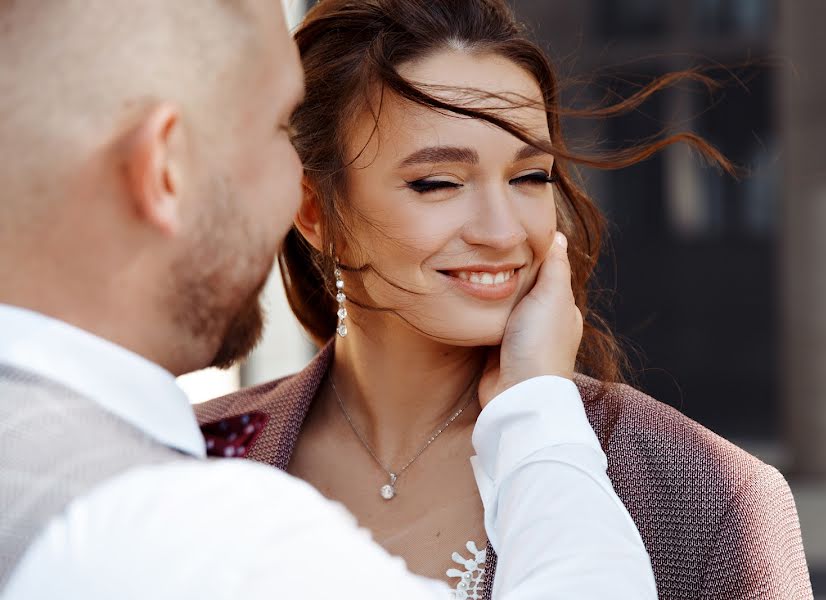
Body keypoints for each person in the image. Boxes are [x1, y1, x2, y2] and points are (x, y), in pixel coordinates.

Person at [0, 0, 657, 598]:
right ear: (165, 168)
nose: (502, 231)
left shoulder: (695, 479)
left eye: (533, 176)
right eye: (276, 130)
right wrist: (539, 411)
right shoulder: (182, 537)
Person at [194, 0, 815, 598]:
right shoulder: (198, 457)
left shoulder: (703, 493)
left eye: (529, 177)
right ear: (313, 210)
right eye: (437, 183)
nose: (501, 231)